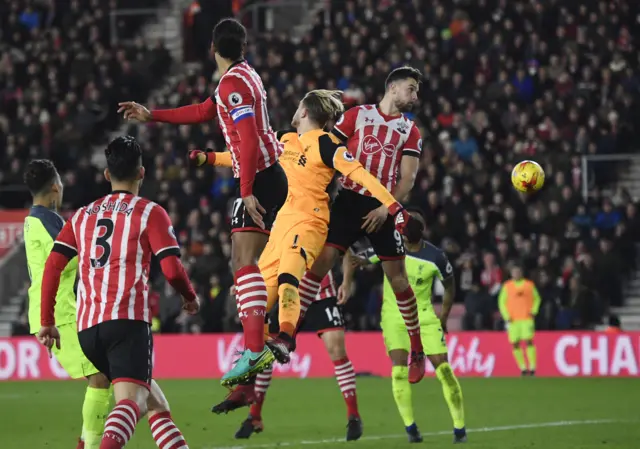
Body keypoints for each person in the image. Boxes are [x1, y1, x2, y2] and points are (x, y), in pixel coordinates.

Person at [195, 89, 416, 430]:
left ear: (305, 112)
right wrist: (209, 158)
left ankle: (285, 336)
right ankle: (247, 389)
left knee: (290, 278)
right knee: (250, 303)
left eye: (298, 106)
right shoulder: (283, 140)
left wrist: (393, 207)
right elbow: (243, 158)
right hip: (279, 226)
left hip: (310, 221)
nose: (293, 110)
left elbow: (361, 175)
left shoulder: (328, 144)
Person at [117, 18, 286, 387]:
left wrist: (245, 189)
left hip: (261, 179)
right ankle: (263, 338)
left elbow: (248, 137)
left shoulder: (234, 84)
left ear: (213, 48)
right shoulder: (244, 76)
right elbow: (203, 111)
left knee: (243, 261)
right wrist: (152, 115)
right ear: (241, 46)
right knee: (246, 261)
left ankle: (256, 348)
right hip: (270, 175)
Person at [36, 136, 199, 449]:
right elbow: (172, 269)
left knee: (155, 403)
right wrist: (189, 297)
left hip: (88, 332)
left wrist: (48, 321)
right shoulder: (150, 212)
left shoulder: (82, 215)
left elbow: (53, 267)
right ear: (142, 173)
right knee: (131, 403)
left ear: (107, 175)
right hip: (126, 323)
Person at [294, 66, 428, 383]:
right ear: (393, 88)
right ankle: (290, 329)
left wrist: (386, 208)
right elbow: (327, 152)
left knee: (397, 279)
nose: (415, 95)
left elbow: (407, 178)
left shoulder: (411, 131)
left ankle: (417, 348)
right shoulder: (357, 116)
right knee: (322, 261)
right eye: (411, 88)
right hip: (350, 199)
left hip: (384, 204)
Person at [342, 208, 467, 444]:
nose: (401, 230)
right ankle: (411, 428)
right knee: (399, 369)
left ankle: (459, 428)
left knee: (444, 370)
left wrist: (443, 317)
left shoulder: (436, 257)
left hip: (425, 317)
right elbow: (358, 259)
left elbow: (450, 286)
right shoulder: (389, 247)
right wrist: (346, 252)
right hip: (394, 317)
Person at [23, 160, 111, 449]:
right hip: (58, 314)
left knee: (102, 375)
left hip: (60, 310)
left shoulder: (37, 218)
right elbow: (66, 258)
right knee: (99, 377)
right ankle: (91, 445)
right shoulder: (46, 219)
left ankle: (87, 442)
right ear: (55, 186)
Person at [234, 271, 362, 441]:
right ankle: (254, 416)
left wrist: (346, 281)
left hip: (322, 294)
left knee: (337, 350)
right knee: (266, 354)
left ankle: (353, 416)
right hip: (289, 293)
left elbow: (346, 251)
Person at [498, 264, 542, 376]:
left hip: (526, 318)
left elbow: (537, 298)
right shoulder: (507, 286)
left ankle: (532, 367)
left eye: (518, 272)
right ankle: (522, 368)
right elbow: (501, 302)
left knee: (528, 341)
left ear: (521, 273)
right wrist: (506, 317)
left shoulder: (529, 285)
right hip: (513, 320)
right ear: (511, 274)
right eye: (514, 272)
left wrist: (534, 311)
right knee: (515, 344)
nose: (516, 274)